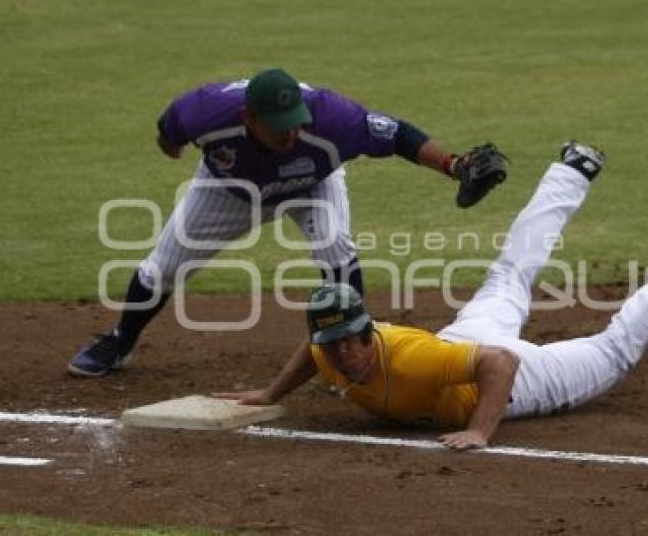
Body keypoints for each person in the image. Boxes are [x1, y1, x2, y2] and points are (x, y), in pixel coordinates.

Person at [212, 141, 648, 450]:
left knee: (615, 349)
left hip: (515, 377)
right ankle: (572, 169)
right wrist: (269, 393)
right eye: (334, 344)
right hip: (462, 343)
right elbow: (310, 352)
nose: (342, 352)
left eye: (350, 340)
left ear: (367, 332)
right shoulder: (328, 351)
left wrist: (479, 431)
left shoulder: (411, 359)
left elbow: (499, 364)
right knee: (508, 276)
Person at [68, 68, 508, 377]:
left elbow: (397, 135)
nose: (291, 133)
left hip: (312, 184)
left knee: (337, 249)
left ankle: (358, 356)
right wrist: (174, 147)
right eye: (279, 128)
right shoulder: (205, 110)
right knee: (162, 268)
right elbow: (169, 132)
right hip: (230, 190)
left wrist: (452, 165)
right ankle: (120, 340)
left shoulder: (332, 117)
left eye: (295, 123)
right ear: (249, 118)